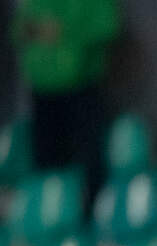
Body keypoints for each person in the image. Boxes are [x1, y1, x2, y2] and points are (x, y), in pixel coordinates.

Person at [12, 0, 120, 211]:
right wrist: (35, 29)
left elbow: (108, 26)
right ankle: (49, 216)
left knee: (88, 163)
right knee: (47, 165)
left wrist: (65, 31)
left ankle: (89, 217)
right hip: (42, 90)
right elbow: (18, 29)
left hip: (81, 88)